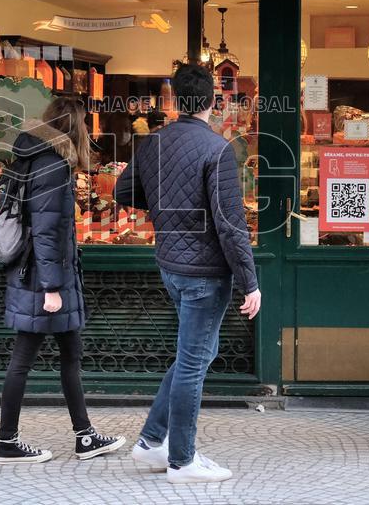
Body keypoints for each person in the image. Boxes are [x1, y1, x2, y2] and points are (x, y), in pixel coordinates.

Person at [114, 63, 261, 484]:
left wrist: (165, 209)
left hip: (171, 266)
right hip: (205, 273)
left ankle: (151, 441)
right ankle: (181, 459)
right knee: (195, 362)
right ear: (213, 101)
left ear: (175, 101)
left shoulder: (153, 142)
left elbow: (123, 191)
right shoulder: (218, 149)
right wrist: (250, 283)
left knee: (193, 356)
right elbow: (231, 224)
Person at [0, 98, 125, 464]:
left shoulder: (37, 157)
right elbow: (48, 230)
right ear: (75, 125)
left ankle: (85, 436)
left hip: (50, 274)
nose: (89, 130)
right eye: (86, 123)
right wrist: (51, 288)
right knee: (24, 359)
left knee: (70, 355)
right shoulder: (52, 164)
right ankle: (7, 441)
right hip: (43, 277)